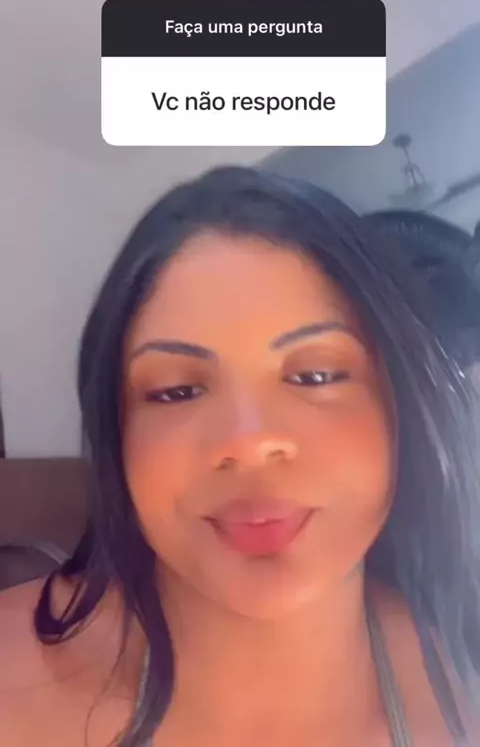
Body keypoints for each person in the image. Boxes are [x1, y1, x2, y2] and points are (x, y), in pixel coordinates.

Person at [0, 167, 479, 747]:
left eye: (316, 375)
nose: (249, 441)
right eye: (177, 390)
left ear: (401, 405)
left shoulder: (464, 680)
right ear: (117, 435)